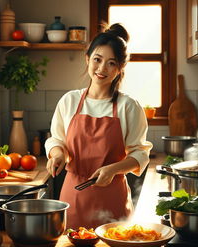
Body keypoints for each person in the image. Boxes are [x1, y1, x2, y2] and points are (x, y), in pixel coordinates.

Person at [45, 23, 152, 229]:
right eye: (97, 59)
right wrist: (57, 154)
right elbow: (56, 139)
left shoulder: (128, 106)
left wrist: (113, 169)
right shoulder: (69, 101)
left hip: (113, 200)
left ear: (120, 68)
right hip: (73, 196)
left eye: (111, 63)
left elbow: (141, 154)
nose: (102, 68)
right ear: (87, 59)